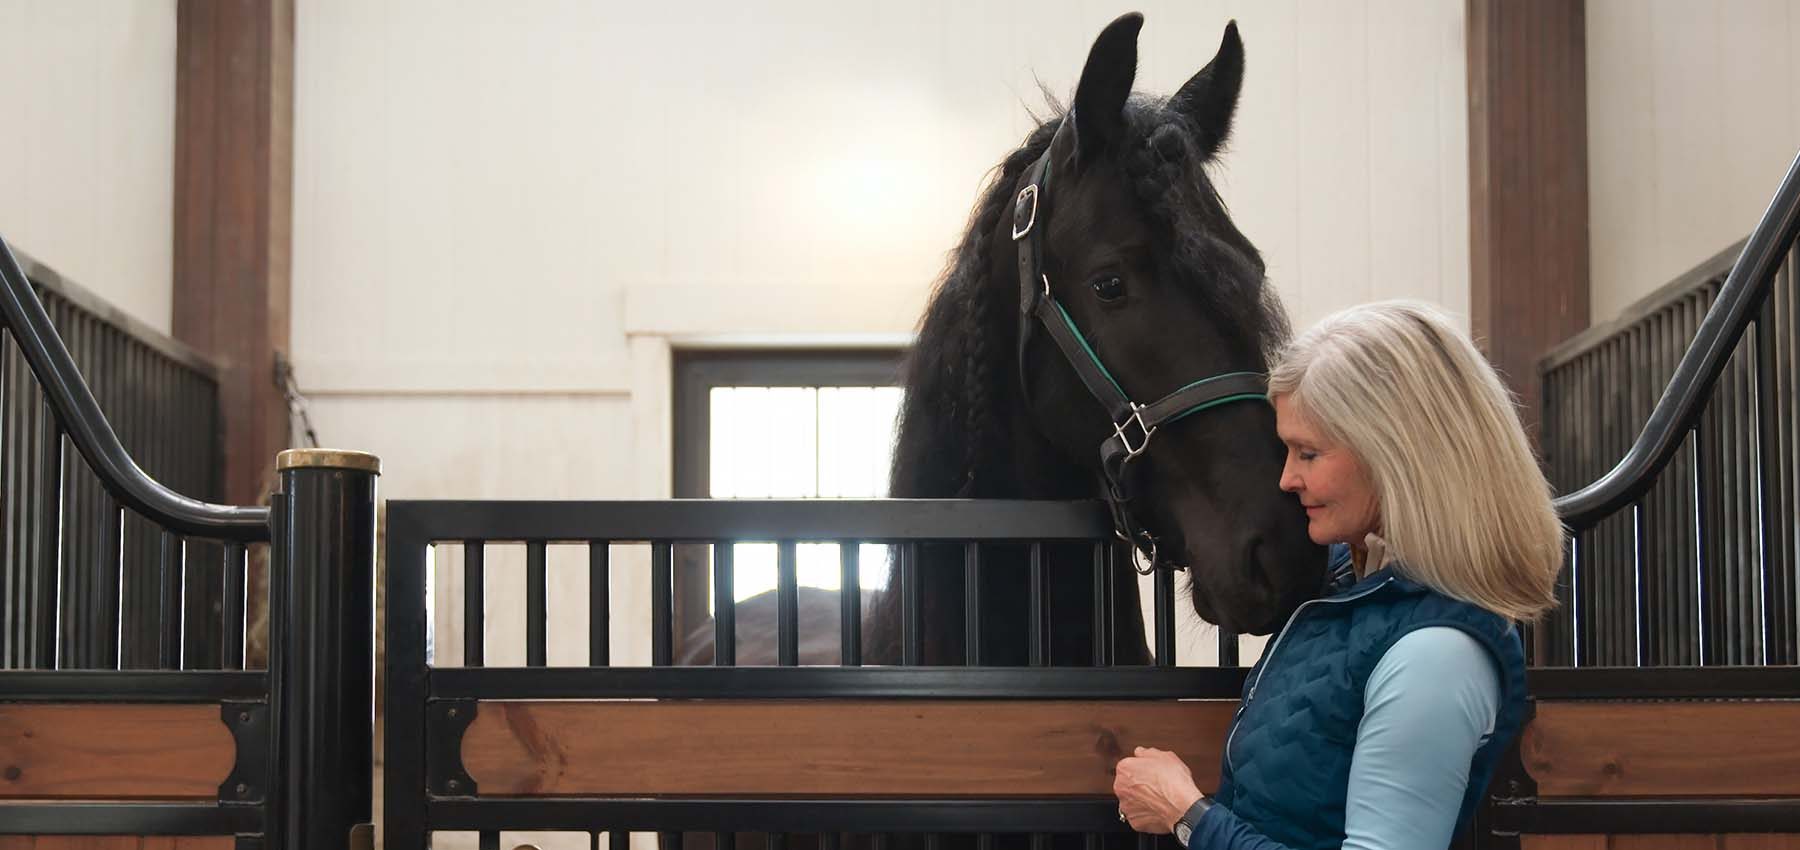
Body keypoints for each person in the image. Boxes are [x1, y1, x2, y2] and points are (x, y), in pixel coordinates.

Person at [1112, 300, 1566, 850]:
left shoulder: (1436, 655)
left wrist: (1187, 814)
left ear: (1394, 454)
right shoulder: (1348, 588)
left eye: (1308, 453)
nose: (1286, 479)